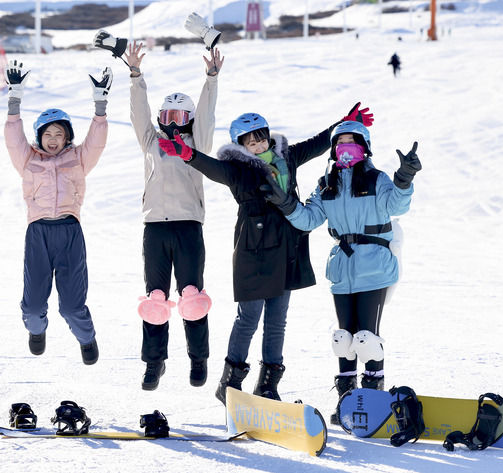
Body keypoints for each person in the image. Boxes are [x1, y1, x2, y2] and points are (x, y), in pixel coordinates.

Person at [158, 104, 369, 404]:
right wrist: (188, 154)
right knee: (248, 318)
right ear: (240, 145)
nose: (257, 145)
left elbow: (317, 143)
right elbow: (212, 168)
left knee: (277, 320)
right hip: (253, 251)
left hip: (287, 248)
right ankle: (230, 383)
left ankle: (268, 385)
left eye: (260, 138)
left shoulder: (287, 157)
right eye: (249, 142)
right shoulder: (237, 170)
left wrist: (343, 123)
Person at [260, 112, 421, 423]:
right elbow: (308, 219)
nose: (345, 147)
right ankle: (347, 401)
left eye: (352, 142)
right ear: (333, 150)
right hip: (342, 270)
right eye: (340, 143)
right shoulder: (326, 185)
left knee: (367, 339)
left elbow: (397, 206)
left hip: (375, 267)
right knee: (344, 340)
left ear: (364, 147)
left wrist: (405, 178)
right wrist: (285, 202)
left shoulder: (377, 179)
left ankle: (372, 399)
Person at [116, 38, 224, 391]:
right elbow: (138, 114)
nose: (171, 123)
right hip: (155, 228)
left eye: (178, 117)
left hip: (188, 226)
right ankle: (154, 363)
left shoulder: (196, 144)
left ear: (188, 119)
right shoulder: (151, 142)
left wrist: (211, 79)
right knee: (156, 301)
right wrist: (135, 76)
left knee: (192, 298)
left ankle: (198, 358)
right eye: (166, 117)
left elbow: (207, 114)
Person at [3, 59, 112, 365]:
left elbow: (97, 143)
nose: (53, 140)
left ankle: (86, 337)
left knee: (72, 307)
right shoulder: (28, 160)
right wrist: (14, 100)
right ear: (39, 136)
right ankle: (36, 331)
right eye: (48, 134)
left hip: (69, 233)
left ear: (67, 138)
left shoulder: (78, 159)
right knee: (33, 307)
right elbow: (13, 139)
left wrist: (100, 106)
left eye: (59, 135)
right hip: (38, 233)